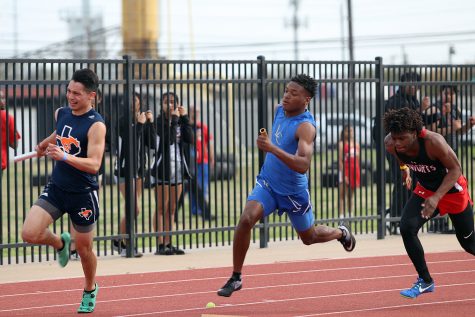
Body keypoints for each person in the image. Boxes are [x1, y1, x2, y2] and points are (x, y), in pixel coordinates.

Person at [217, 74, 356, 297]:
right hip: (268, 184)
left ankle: (340, 233)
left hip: (293, 192)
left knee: (308, 238)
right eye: (285, 91)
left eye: (293, 93)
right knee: (246, 220)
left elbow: (303, 165)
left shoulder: (306, 128)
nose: (286, 96)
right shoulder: (278, 110)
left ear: (307, 99)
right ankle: (236, 277)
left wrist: (271, 148)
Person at [21, 68, 105, 313]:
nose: (71, 96)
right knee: (29, 233)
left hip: (83, 194)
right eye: (69, 91)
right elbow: (61, 134)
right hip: (58, 188)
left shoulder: (97, 125)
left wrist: (64, 156)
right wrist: (45, 144)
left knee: (84, 249)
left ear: (92, 96)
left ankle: (90, 288)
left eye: (77, 93)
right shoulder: (62, 113)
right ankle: (59, 245)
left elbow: (95, 164)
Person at [383, 107, 475, 299]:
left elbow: (456, 170)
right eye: (395, 137)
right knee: (407, 227)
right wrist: (404, 170)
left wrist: (436, 197)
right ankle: (425, 281)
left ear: (415, 134)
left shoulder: (434, 142)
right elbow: (400, 156)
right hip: (426, 190)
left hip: (452, 191)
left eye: (402, 138)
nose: (397, 143)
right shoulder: (390, 144)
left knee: (468, 244)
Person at [373, 71, 422, 234]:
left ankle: (402, 217)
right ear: (402, 84)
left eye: (416, 83)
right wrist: (422, 109)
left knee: (412, 183)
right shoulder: (396, 102)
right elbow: (400, 126)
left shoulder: (413, 101)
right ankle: (394, 218)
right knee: (402, 182)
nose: (413, 86)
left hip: (411, 150)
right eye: (410, 83)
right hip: (395, 149)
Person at [113, 91, 156, 257]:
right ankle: (124, 243)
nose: (132, 103)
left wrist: (150, 123)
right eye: (129, 100)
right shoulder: (123, 121)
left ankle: (121, 241)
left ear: (140, 102)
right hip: (124, 169)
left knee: (133, 210)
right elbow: (129, 142)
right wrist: (139, 125)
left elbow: (152, 144)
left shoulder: (142, 119)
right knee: (134, 209)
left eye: (135, 100)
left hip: (138, 170)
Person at [151, 92, 193, 255]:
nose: (169, 105)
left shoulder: (180, 121)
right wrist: (174, 121)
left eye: (173, 102)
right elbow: (167, 141)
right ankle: (160, 244)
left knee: (172, 208)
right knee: (161, 207)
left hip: (179, 167)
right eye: (166, 102)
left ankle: (169, 243)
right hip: (163, 167)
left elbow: (189, 139)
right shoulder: (158, 122)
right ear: (161, 105)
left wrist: (184, 119)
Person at [188, 104, 216, 221]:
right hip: (191, 162)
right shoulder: (187, 126)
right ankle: (194, 209)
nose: (196, 113)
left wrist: (211, 157)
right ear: (190, 112)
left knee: (203, 185)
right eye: (194, 111)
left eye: (198, 111)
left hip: (203, 160)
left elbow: (209, 143)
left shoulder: (203, 127)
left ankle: (201, 209)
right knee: (193, 186)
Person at [338, 125, 360, 219]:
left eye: (351, 131)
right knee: (342, 194)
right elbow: (340, 160)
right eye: (348, 131)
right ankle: (341, 216)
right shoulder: (341, 144)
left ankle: (350, 214)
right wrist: (344, 174)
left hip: (354, 170)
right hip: (345, 169)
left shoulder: (356, 144)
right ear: (344, 132)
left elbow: (358, 160)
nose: (350, 133)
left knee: (351, 195)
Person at [0, 89, 21, 177]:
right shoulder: (7, 118)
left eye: (4, 98)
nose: (3, 100)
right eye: (1, 98)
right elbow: (14, 144)